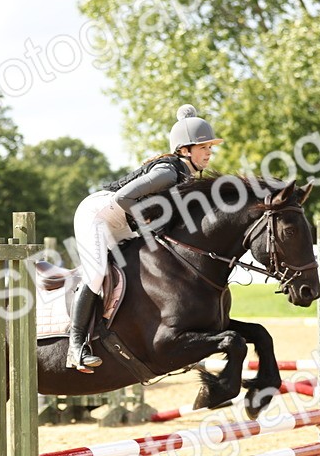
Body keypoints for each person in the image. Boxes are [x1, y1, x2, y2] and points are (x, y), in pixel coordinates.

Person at [66, 104, 223, 372]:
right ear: (185, 150)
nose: (209, 152)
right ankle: (76, 346)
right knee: (96, 275)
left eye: (210, 147)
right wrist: (148, 220)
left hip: (123, 220)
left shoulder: (187, 174)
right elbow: (122, 197)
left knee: (141, 269)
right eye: (203, 147)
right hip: (98, 215)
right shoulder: (168, 173)